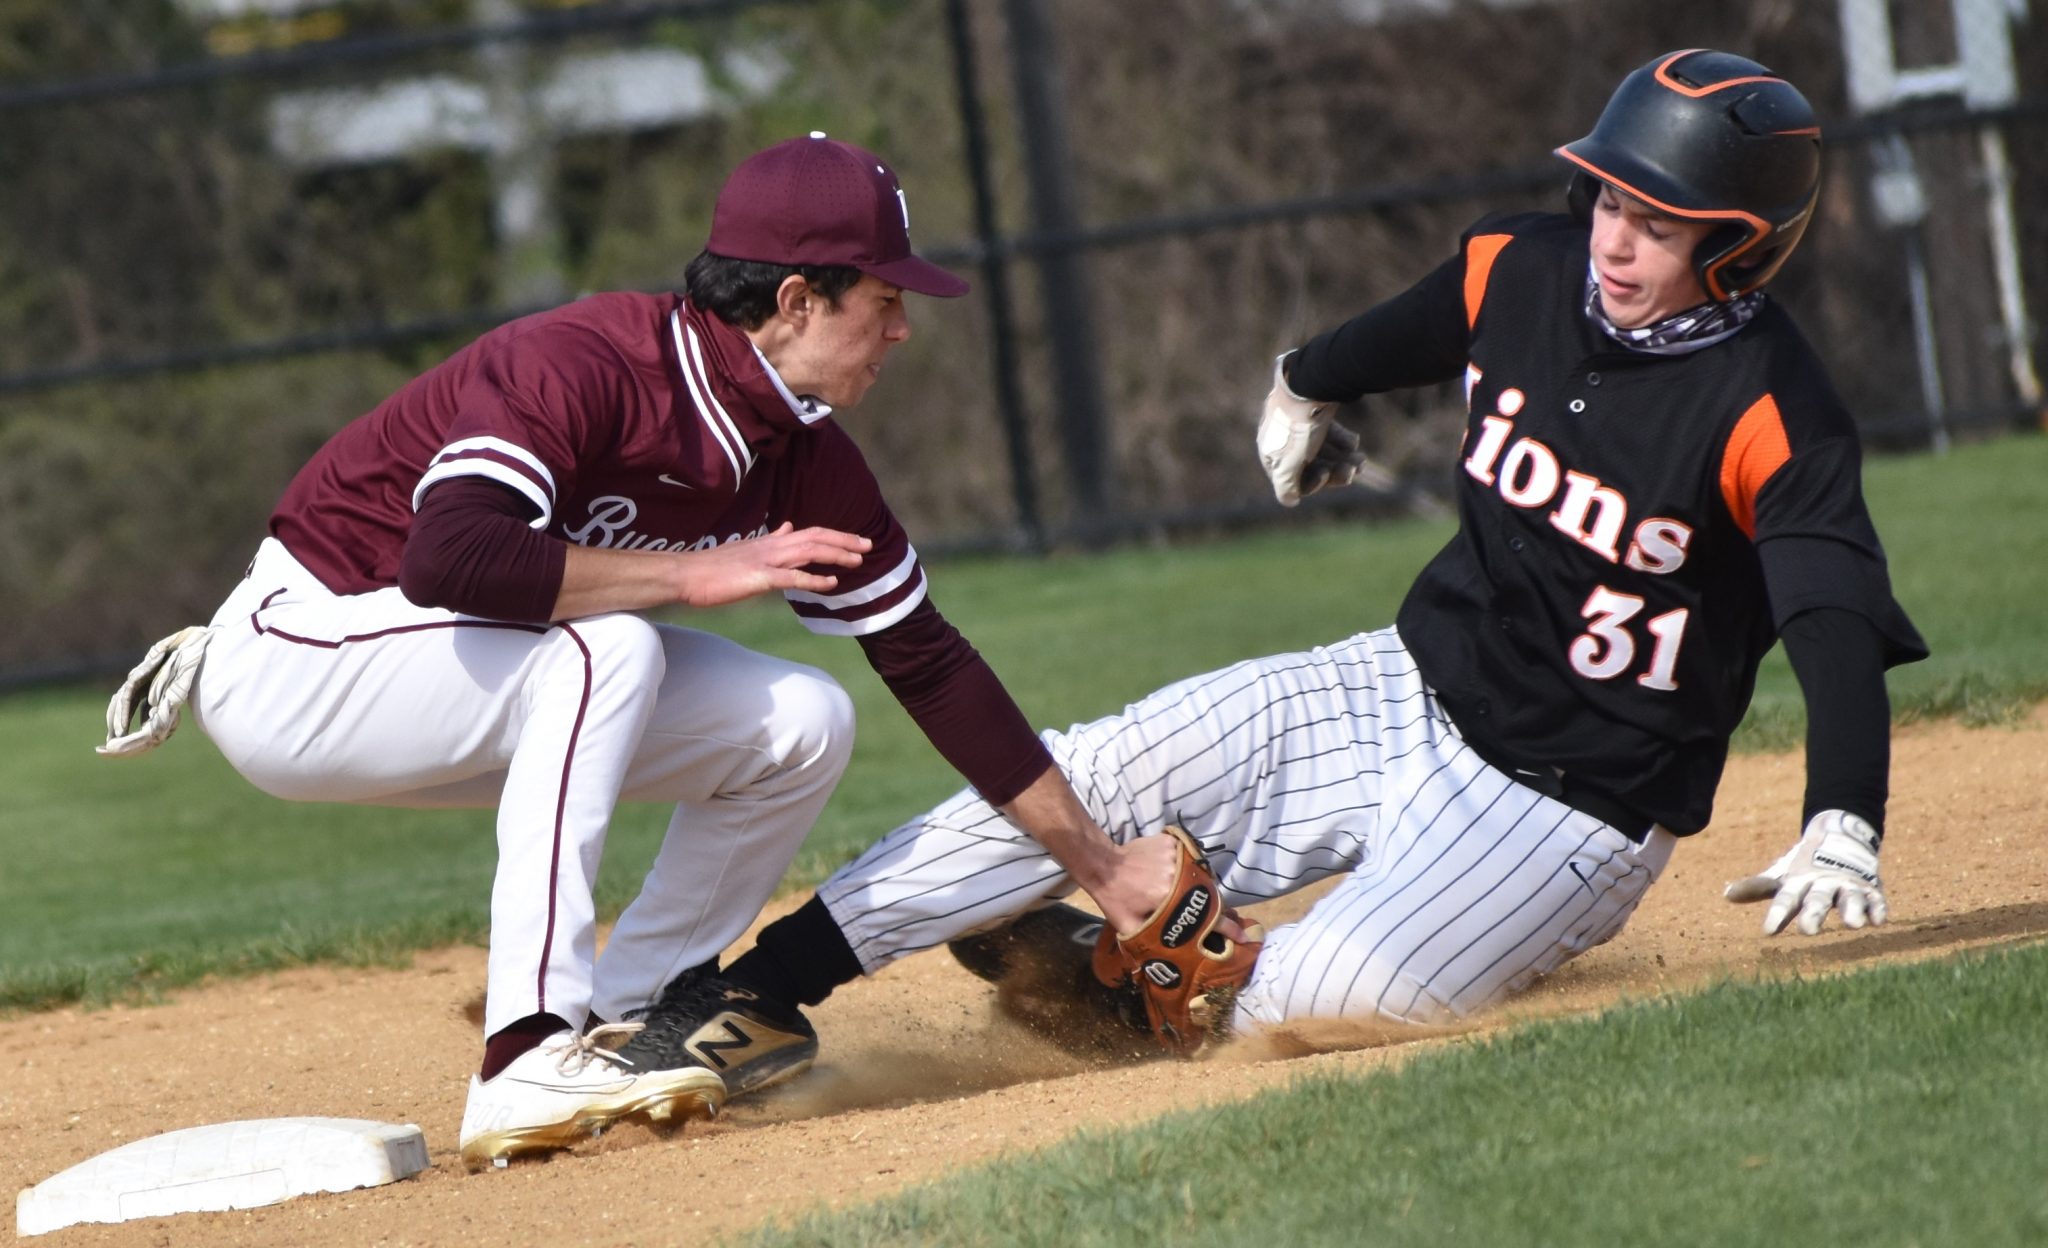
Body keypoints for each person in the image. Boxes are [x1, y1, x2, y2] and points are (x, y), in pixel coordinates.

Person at [633, 49, 1926, 1066]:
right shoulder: (1518, 268)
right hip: (1397, 687)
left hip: (1564, 808)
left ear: (1741, 245)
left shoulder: (1771, 409)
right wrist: (1302, 388)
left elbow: (1832, 617)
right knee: (1093, 773)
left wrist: (1844, 818)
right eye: (1608, 193)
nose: (1614, 234)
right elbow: (1400, 332)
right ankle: (749, 991)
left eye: (1660, 218)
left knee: (1321, 1000)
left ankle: (1123, 988)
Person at [97, 133, 1182, 1166]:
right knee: (605, 649)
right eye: (884, 299)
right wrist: (690, 575)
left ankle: (629, 1018)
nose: (900, 327)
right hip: (303, 656)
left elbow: (926, 660)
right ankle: (524, 1051)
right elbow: (449, 557)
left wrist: (1101, 868)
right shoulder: (586, 363)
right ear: (797, 302)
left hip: (454, 677)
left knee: (802, 725)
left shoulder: (804, 455)